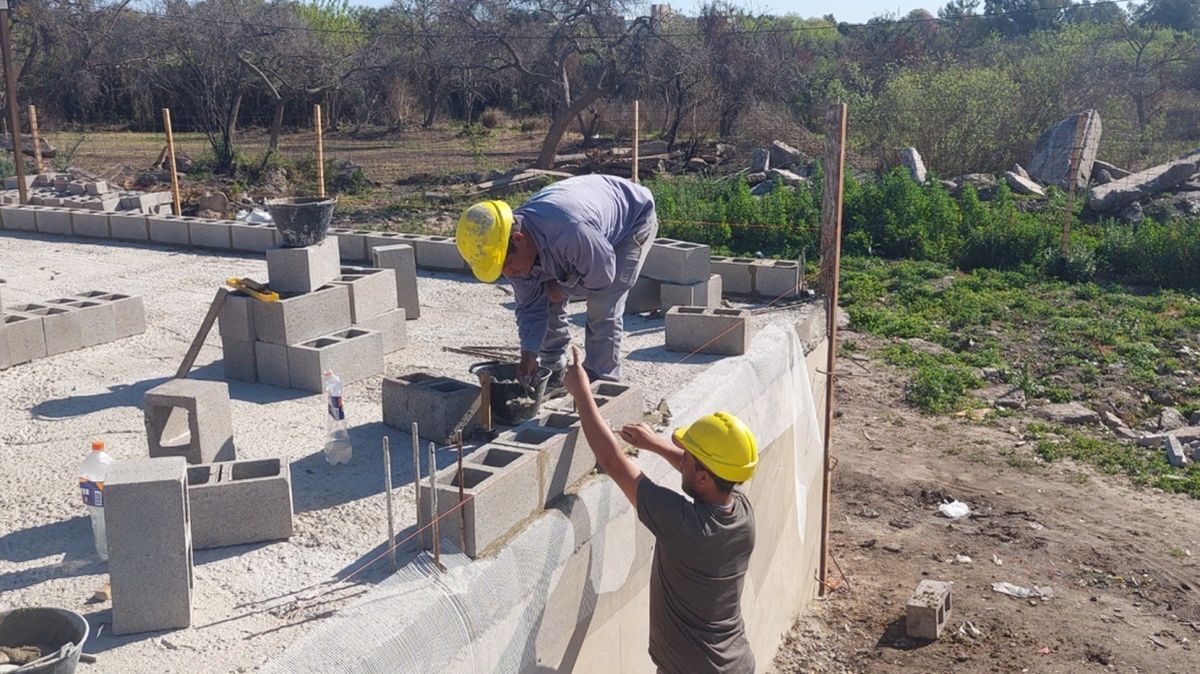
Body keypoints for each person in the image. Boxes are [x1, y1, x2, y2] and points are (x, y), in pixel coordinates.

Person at [561, 344, 759, 674]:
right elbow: (701, 470)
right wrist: (654, 444)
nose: (683, 461)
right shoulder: (740, 510)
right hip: (735, 664)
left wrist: (582, 392)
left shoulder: (683, 525)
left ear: (704, 476)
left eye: (689, 459)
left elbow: (611, 460)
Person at [456, 174, 658, 385]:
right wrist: (529, 354)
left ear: (519, 239)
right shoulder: (510, 248)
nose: (508, 274)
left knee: (602, 304)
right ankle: (553, 367)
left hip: (632, 218)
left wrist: (564, 289)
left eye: (507, 265)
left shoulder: (570, 231)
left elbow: (602, 275)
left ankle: (602, 380)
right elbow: (531, 308)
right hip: (585, 223)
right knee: (545, 292)